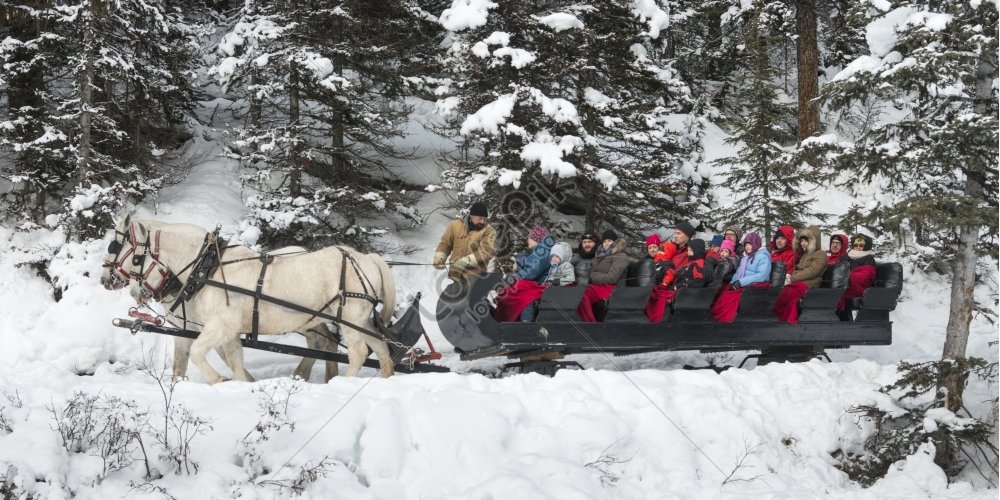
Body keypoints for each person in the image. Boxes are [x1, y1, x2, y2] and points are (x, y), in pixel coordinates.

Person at [494, 226, 555, 322]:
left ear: (536, 239)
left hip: (538, 285)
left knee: (521, 295)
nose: (528, 240)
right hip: (536, 284)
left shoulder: (541, 252)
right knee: (513, 289)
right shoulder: (540, 251)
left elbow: (531, 273)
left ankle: (519, 321)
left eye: (530, 237)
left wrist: (514, 276)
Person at [772, 227, 828, 325]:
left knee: (785, 293)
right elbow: (796, 269)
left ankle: (780, 318)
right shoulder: (803, 255)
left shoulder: (820, 254)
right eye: (801, 241)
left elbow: (812, 271)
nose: (803, 243)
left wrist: (791, 278)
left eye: (806, 241)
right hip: (799, 283)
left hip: (809, 285)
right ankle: (785, 320)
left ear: (813, 241)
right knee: (786, 296)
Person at [710, 232, 770, 322]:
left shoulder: (763, 257)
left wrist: (740, 283)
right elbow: (738, 273)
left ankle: (726, 319)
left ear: (756, 244)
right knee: (724, 291)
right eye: (746, 244)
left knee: (729, 297)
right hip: (742, 284)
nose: (747, 247)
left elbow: (761, 275)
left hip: (754, 285)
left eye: (750, 244)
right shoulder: (745, 258)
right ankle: (716, 317)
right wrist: (732, 282)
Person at [645, 239, 709, 322]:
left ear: (697, 250)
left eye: (690, 250)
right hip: (678, 287)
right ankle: (654, 317)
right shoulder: (690, 262)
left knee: (661, 296)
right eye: (688, 250)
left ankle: (660, 318)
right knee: (657, 293)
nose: (688, 252)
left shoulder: (698, 262)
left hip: (684, 290)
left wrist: (683, 285)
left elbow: (699, 281)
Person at [433, 201, 497, 281]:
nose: (483, 222)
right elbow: (445, 244)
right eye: (480, 218)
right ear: (471, 216)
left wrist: (466, 261)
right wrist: (440, 256)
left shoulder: (489, 231)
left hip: (475, 278)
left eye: (484, 219)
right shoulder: (455, 225)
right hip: (455, 276)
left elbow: (486, 252)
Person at [576, 230, 629, 322]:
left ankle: (590, 322)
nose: (606, 243)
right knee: (577, 293)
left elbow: (612, 278)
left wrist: (594, 277)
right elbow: (592, 273)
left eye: (609, 240)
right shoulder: (600, 255)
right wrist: (593, 276)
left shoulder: (620, 256)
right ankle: (581, 321)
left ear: (616, 242)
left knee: (582, 294)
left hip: (613, 289)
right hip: (598, 286)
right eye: (604, 241)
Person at [837, 233, 878, 320]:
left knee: (836, 293)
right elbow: (838, 268)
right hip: (845, 283)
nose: (858, 247)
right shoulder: (847, 256)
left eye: (861, 245)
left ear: (866, 246)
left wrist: (845, 278)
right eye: (856, 245)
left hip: (858, 287)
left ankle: (842, 318)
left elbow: (866, 276)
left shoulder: (868, 258)